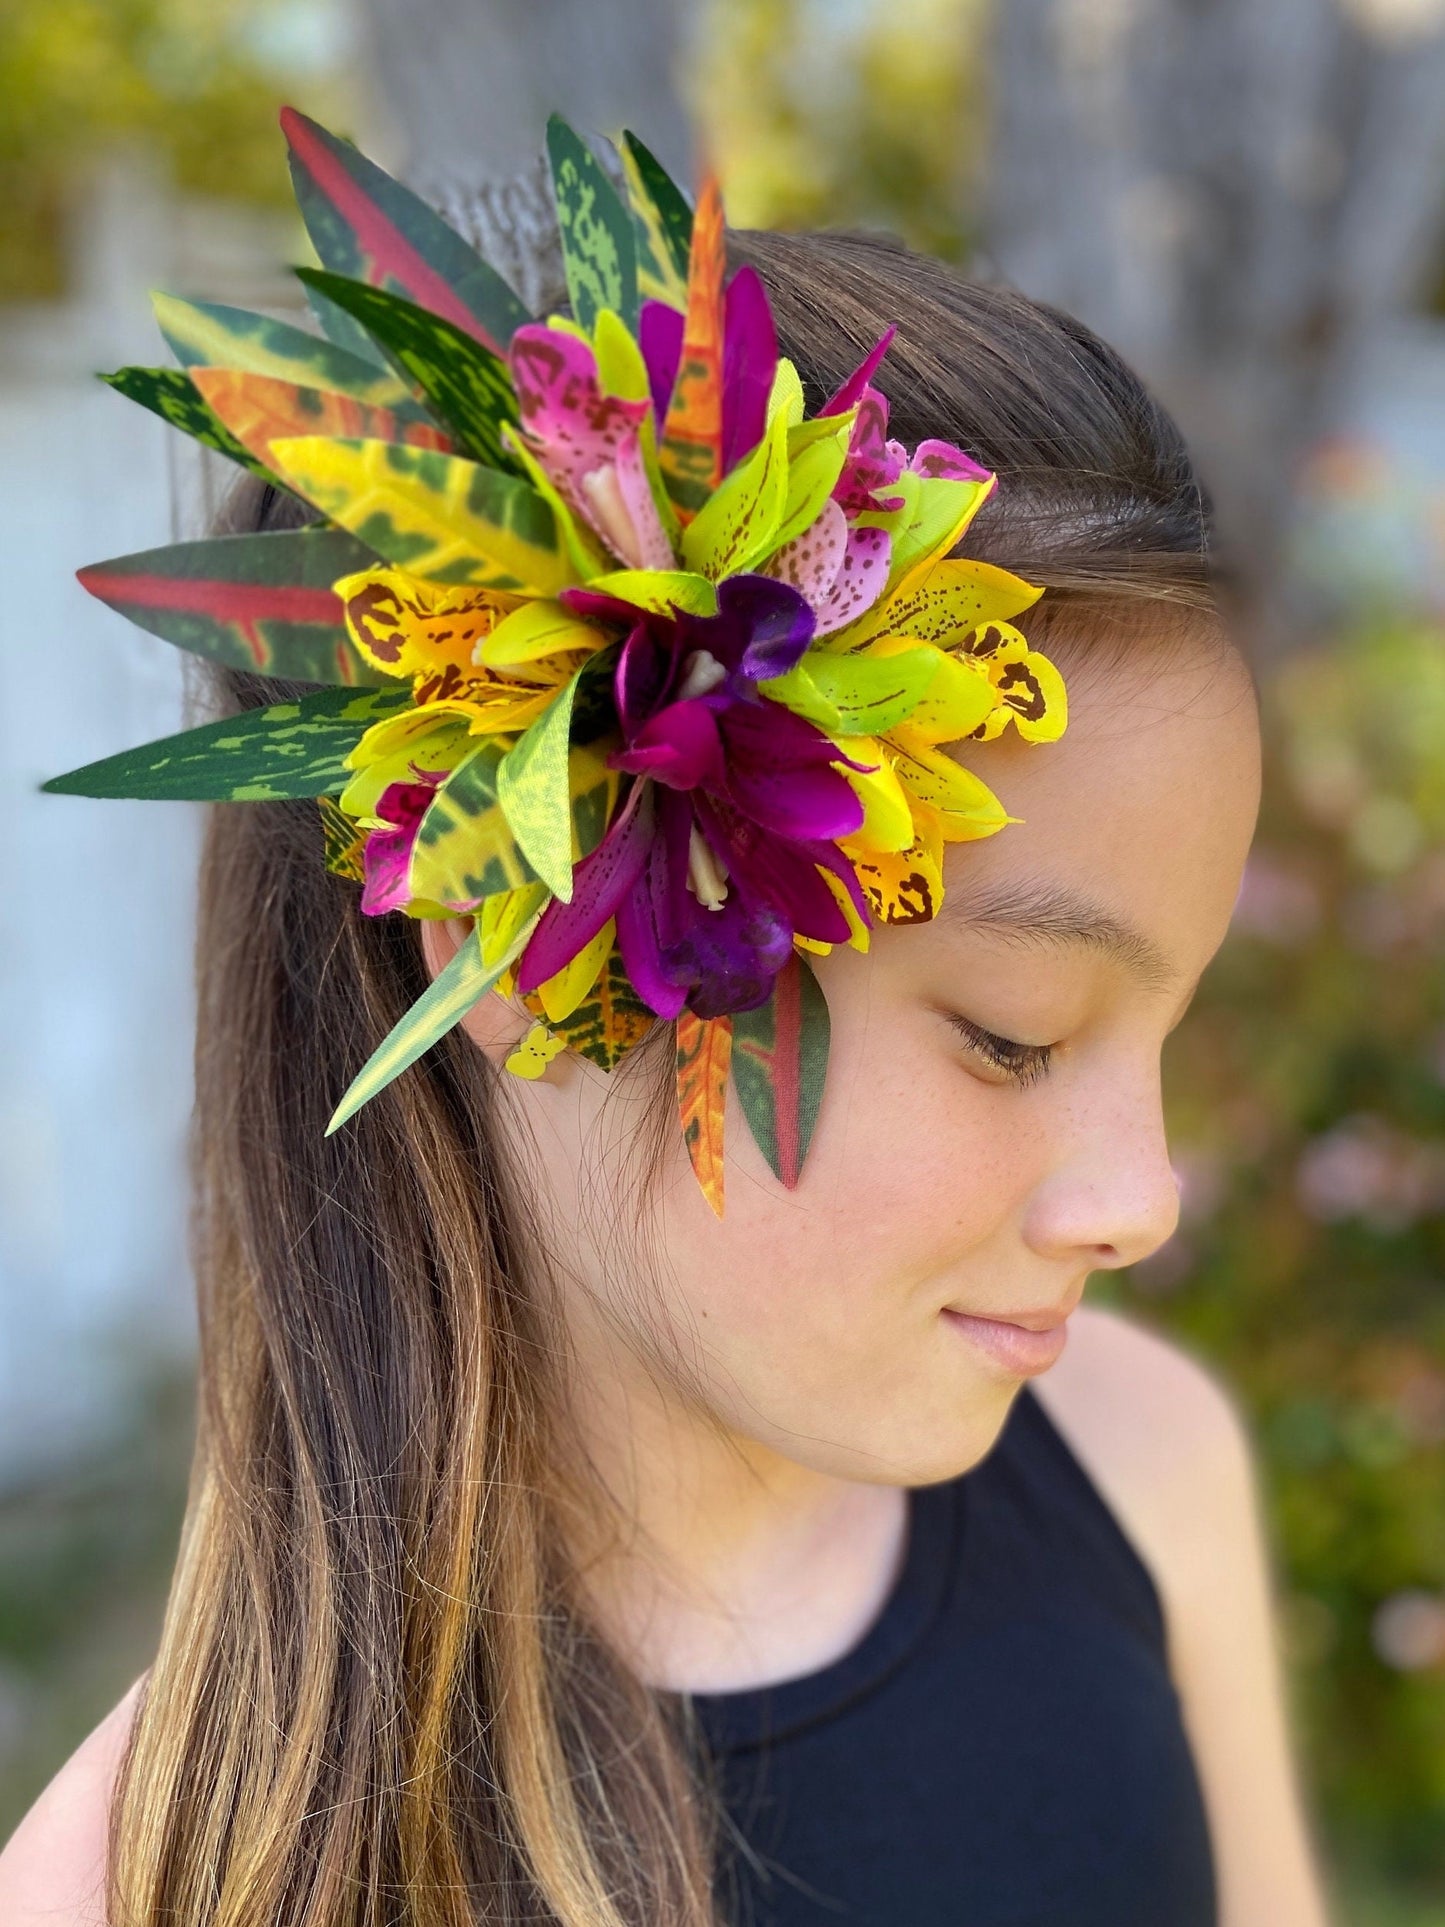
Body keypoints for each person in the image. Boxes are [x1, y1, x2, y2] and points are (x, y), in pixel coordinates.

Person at [0, 213, 1335, 1926]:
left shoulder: (1144, 1474)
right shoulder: (160, 1884)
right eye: (1015, 1034)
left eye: (1168, 1029)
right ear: (526, 921)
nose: (1141, 1198)